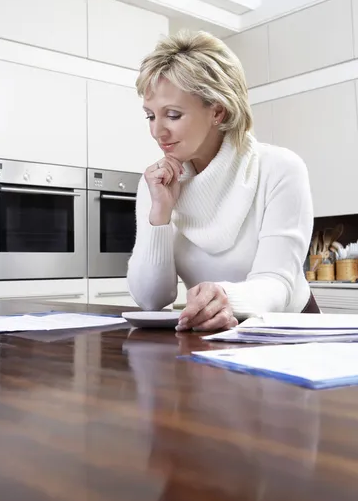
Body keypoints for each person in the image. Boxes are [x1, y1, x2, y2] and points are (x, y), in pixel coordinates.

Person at [127, 30, 318, 332]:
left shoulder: (280, 169)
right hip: (210, 331)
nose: (157, 132)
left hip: (287, 328)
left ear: (217, 111)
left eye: (173, 115)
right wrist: (160, 216)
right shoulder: (156, 184)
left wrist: (227, 298)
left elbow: (277, 283)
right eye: (150, 116)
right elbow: (151, 300)